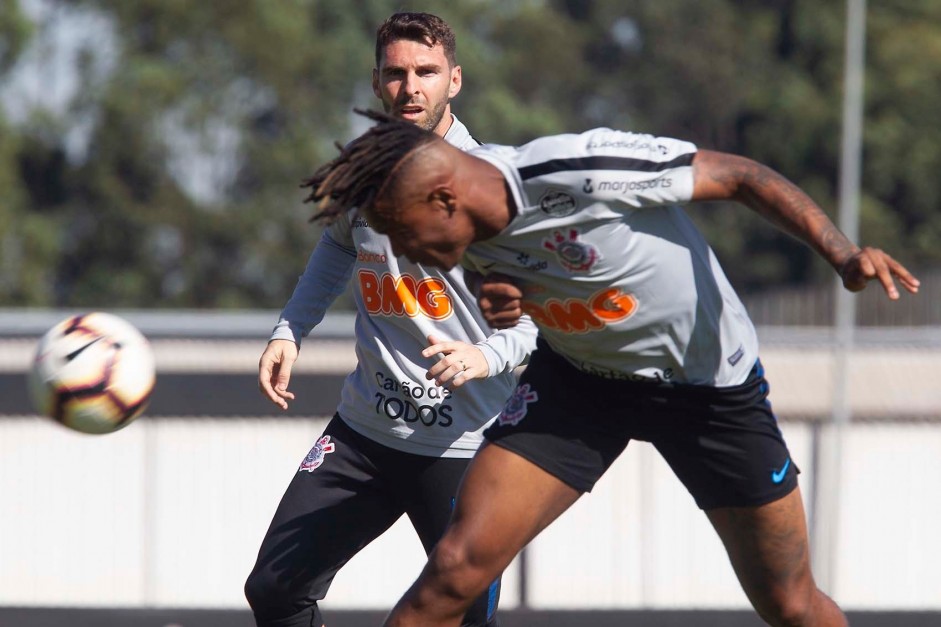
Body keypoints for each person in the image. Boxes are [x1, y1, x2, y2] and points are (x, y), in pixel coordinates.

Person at [302, 111, 921, 627]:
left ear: (443, 199)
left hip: (708, 391)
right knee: (455, 569)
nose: (400, 253)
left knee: (790, 604)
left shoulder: (582, 169)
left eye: (401, 233)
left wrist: (840, 252)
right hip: (580, 384)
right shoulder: (460, 232)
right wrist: (502, 296)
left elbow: (739, 176)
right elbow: (513, 274)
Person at [243, 14, 537, 627]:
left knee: (458, 617)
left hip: (465, 447)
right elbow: (339, 245)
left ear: (453, 81)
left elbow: (544, 310)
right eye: (397, 74)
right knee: (273, 590)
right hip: (364, 433)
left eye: (426, 73)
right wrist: (290, 329)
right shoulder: (364, 168)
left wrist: (488, 355)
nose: (411, 88)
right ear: (377, 83)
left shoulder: (488, 183)